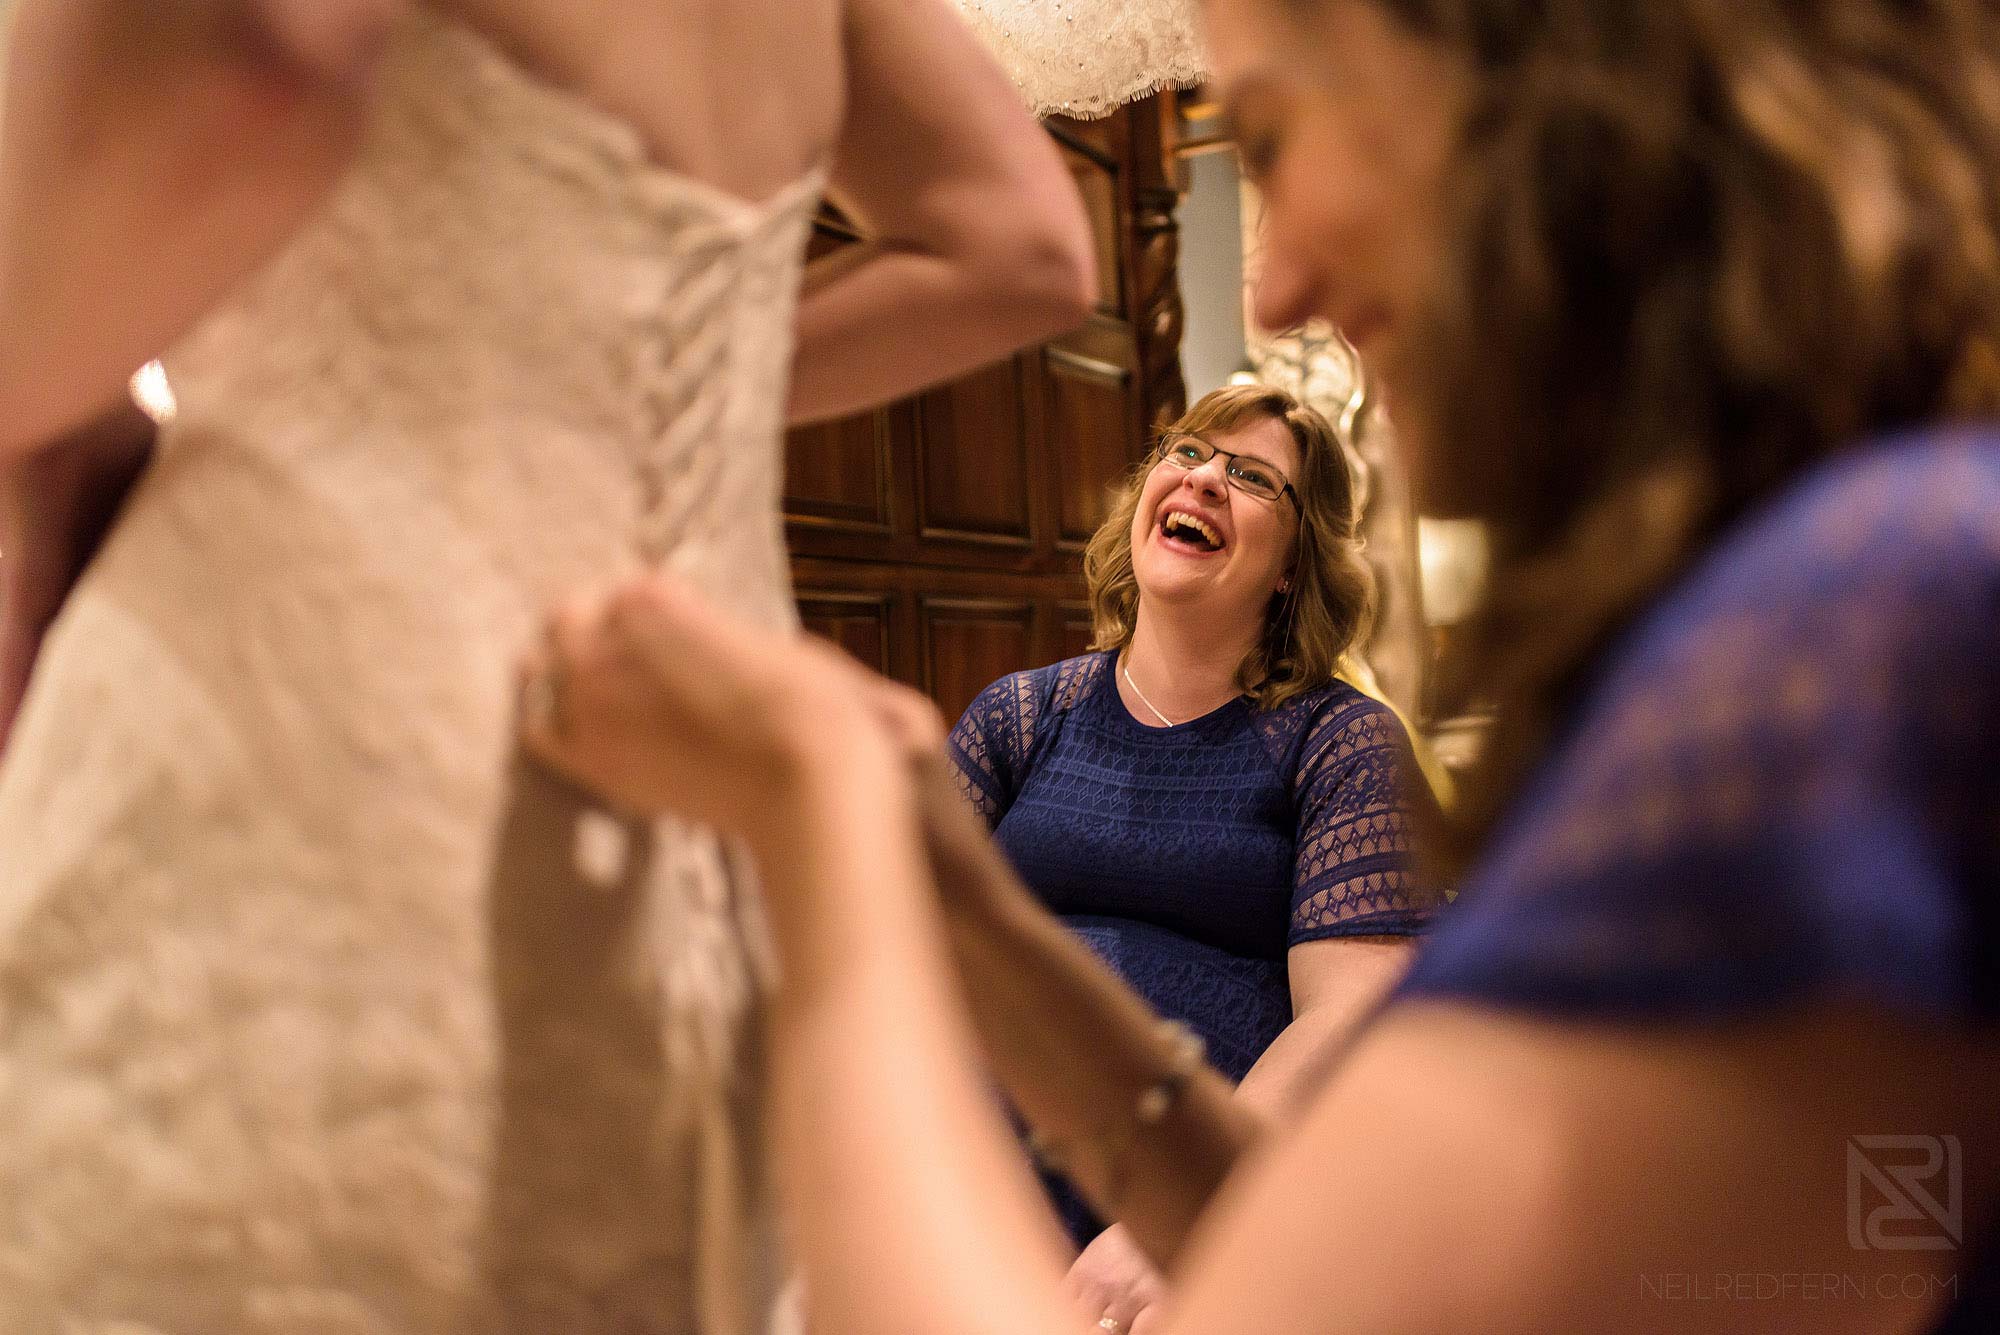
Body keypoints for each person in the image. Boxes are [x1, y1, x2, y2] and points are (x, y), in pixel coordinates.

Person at [522, 0, 2000, 1331]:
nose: (1279, 283)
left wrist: (823, 811)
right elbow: (1340, 1246)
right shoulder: (1025, 712)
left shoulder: (1860, 634)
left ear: (1542, 89)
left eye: (1278, 136)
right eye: (1183, 455)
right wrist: (967, 913)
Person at [0, 0, 1093, 1327]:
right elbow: (1021, 243)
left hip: (309, 772)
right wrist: (597, 368)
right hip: (694, 818)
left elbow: (264, 55)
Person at [947, 382, 1438, 1274]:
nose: (1205, 479)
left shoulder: (1341, 742)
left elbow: (1353, 1011)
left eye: (1251, 476)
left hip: (1209, 1198)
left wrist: (1184, 1210)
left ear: (1294, 561)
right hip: (970, 1176)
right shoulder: (1019, 717)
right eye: (1187, 452)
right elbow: (899, 939)